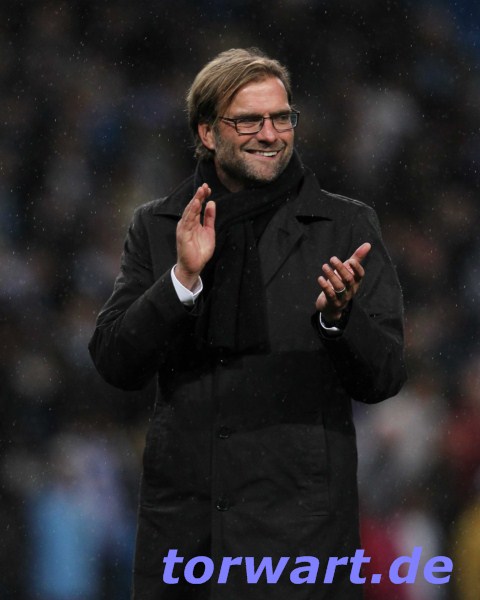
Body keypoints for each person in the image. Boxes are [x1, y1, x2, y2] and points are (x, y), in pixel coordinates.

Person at [89, 47, 407, 600]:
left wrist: (340, 320)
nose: (270, 134)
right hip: (186, 540)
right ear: (207, 132)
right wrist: (181, 279)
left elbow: (385, 375)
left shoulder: (344, 226)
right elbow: (116, 361)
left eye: (282, 118)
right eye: (249, 121)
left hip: (300, 541)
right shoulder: (159, 225)